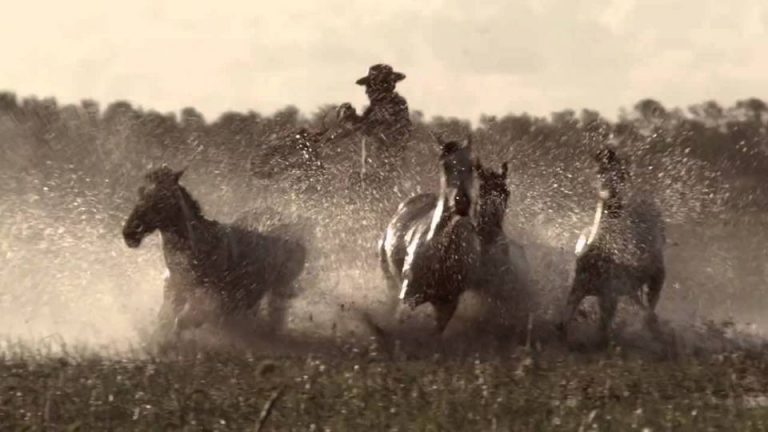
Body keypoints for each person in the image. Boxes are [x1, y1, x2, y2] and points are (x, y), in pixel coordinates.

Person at [336, 64, 413, 167]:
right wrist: (350, 117)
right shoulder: (375, 107)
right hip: (374, 166)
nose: (367, 91)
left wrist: (353, 120)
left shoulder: (394, 103)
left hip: (387, 167)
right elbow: (365, 126)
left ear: (381, 86)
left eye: (370, 86)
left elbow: (375, 127)